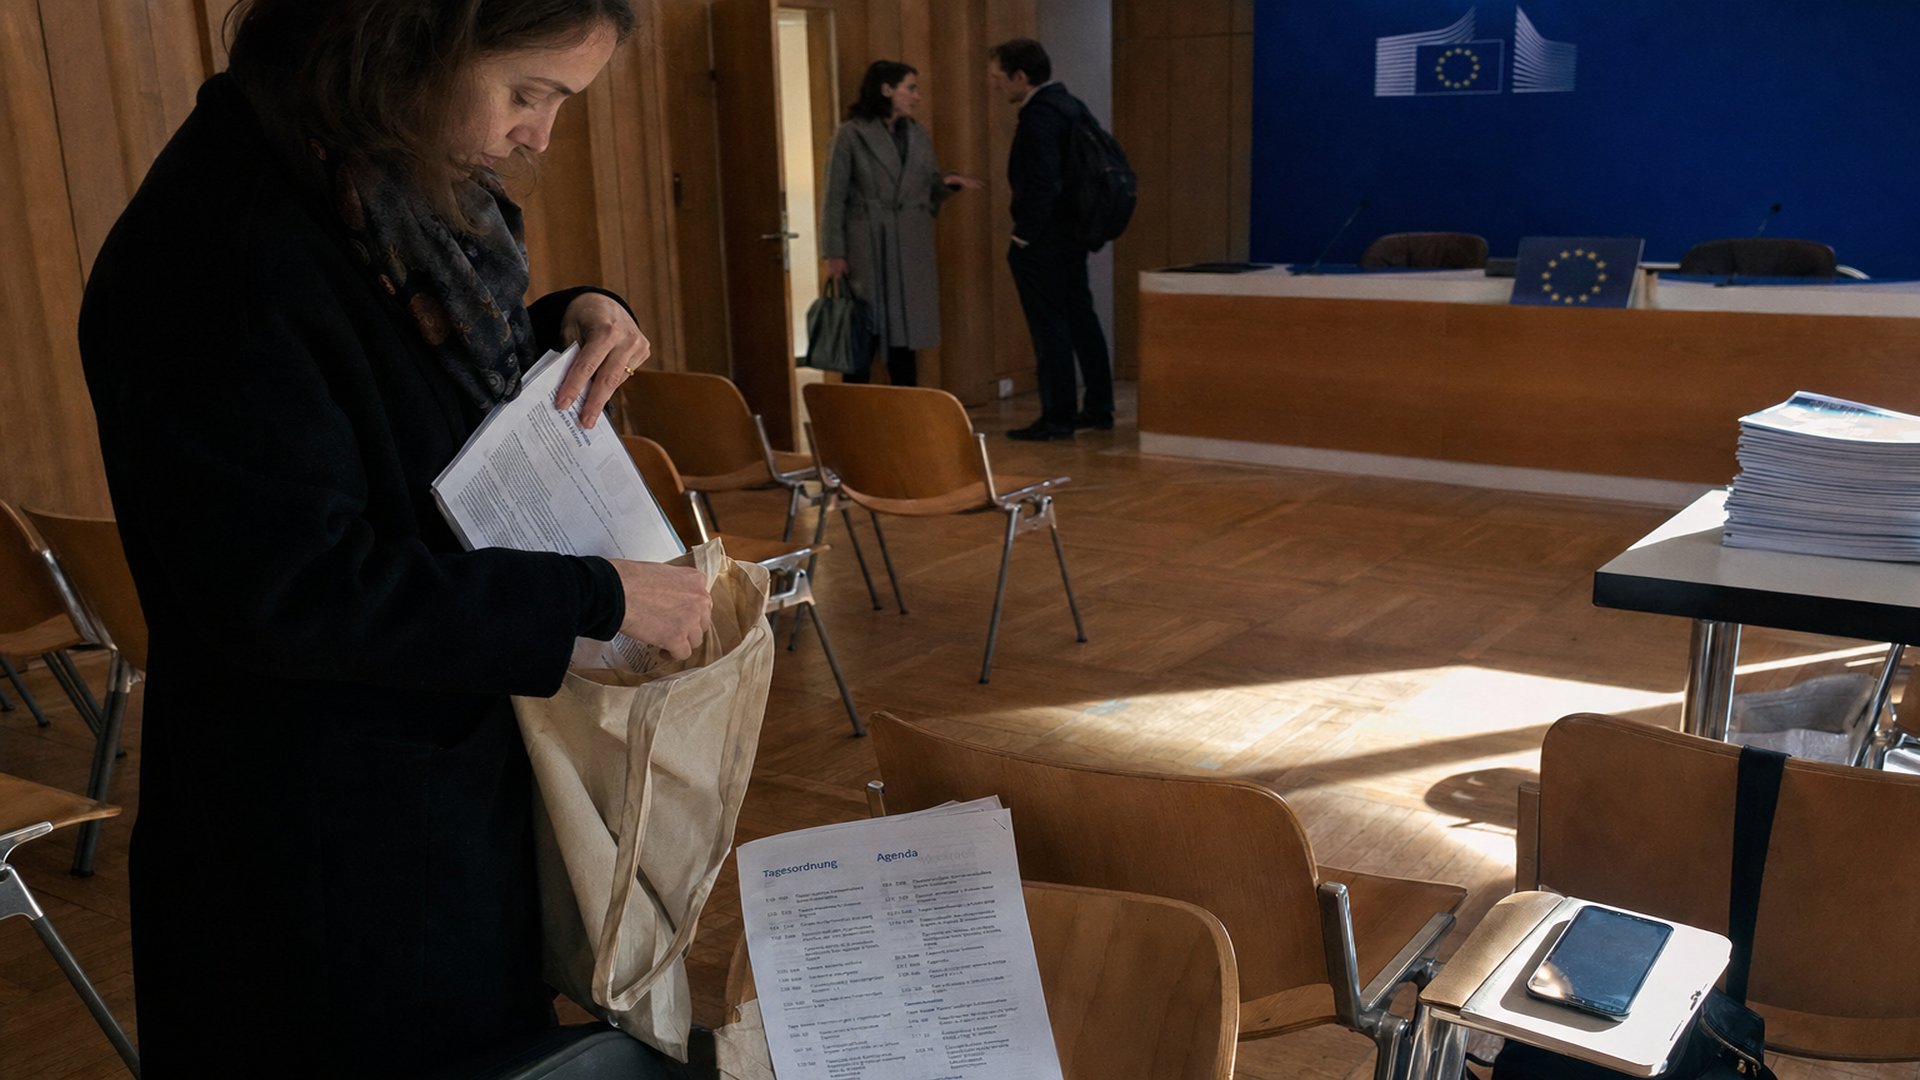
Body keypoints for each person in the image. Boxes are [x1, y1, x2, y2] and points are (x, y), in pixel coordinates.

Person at [75, 1, 711, 1074]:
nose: (540, 138)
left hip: (417, 806)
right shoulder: (221, 250)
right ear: (402, 44)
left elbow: (391, 397)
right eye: (527, 93)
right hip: (324, 853)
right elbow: (290, 590)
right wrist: (592, 598)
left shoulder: (358, 184)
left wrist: (566, 317)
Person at [820, 60, 983, 386]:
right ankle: (851, 418)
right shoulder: (850, 135)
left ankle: (906, 415)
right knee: (862, 332)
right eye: (910, 88)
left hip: (909, 246)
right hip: (867, 246)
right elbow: (833, 196)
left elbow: (925, 187)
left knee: (905, 335)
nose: (917, 96)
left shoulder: (918, 134)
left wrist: (947, 183)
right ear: (886, 89)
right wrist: (834, 252)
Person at [987, 37, 1116, 441]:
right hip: (1073, 234)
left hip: (1045, 239)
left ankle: (1057, 416)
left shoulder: (1040, 116)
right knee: (1081, 318)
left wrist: (1023, 236)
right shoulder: (1070, 105)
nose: (996, 86)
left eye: (998, 78)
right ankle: (1098, 406)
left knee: (1050, 327)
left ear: (1020, 77)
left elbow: (1044, 184)